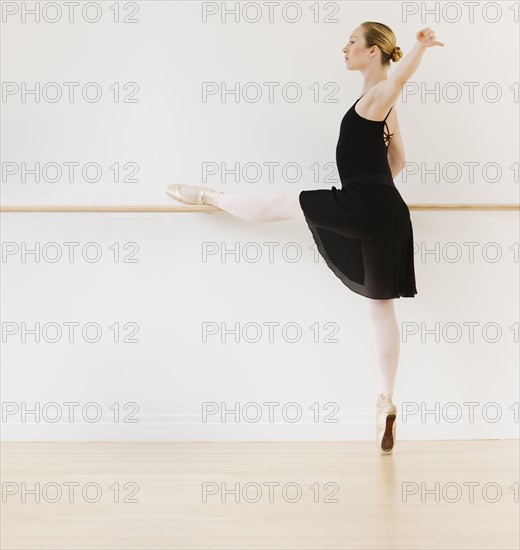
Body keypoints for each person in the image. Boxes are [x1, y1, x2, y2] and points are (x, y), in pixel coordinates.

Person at [166, 23, 444, 454]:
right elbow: (401, 159)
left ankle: (208, 194)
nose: (345, 47)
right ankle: (384, 400)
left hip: (365, 203)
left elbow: (401, 78)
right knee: (380, 309)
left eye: (353, 41)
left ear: (373, 52)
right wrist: (373, 190)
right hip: (389, 209)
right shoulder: (383, 107)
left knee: (279, 205)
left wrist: (421, 48)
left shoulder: (378, 95)